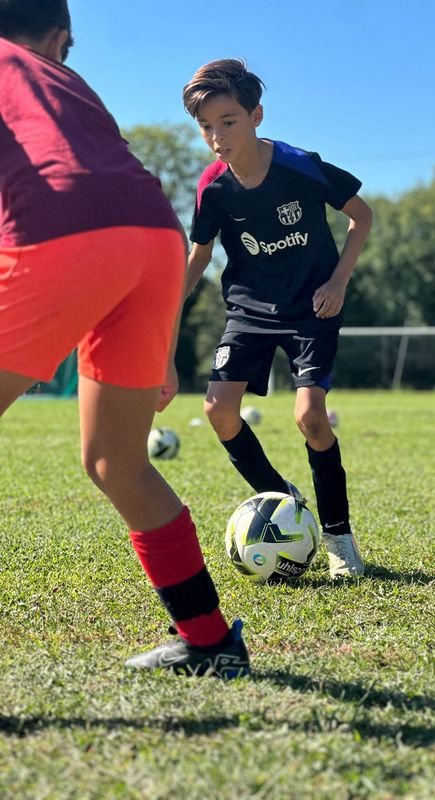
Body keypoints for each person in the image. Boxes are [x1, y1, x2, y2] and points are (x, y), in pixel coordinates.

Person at [0, 0, 248, 678]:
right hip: (156, 238)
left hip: (64, 228)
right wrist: (160, 343)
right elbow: (115, 184)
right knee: (117, 461)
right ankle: (210, 642)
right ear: (60, 39)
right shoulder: (70, 85)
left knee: (117, 461)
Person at [183, 59, 373, 578]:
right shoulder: (212, 187)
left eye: (228, 122)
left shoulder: (298, 165)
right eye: (206, 126)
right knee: (218, 411)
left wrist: (338, 281)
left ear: (256, 116)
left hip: (312, 307)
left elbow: (362, 216)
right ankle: (282, 499)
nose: (217, 137)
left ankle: (338, 538)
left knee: (310, 418)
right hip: (248, 309)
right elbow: (201, 254)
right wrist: (169, 306)